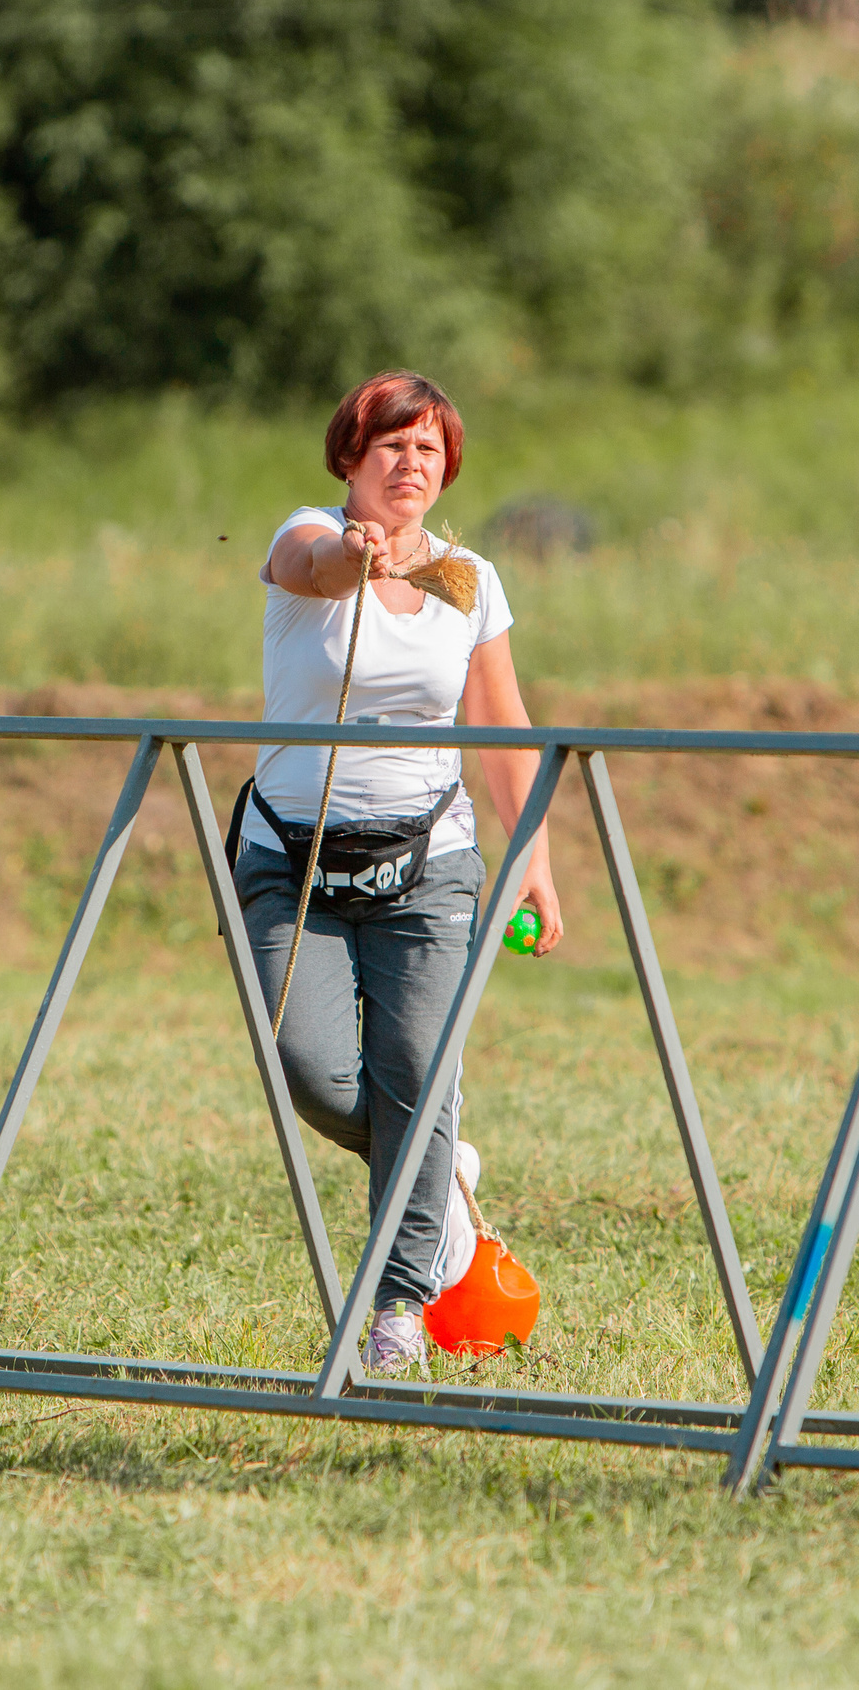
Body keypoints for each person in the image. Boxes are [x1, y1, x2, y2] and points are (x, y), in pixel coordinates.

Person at [240, 370, 564, 1377]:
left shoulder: (469, 578)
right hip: (290, 861)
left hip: (428, 867)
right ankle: (443, 1171)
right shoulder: (308, 534)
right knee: (312, 1073)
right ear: (349, 457)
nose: (408, 463)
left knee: (417, 1081)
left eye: (427, 449)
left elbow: (501, 725)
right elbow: (309, 571)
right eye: (390, 444)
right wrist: (352, 553)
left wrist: (535, 858)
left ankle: (397, 1313)